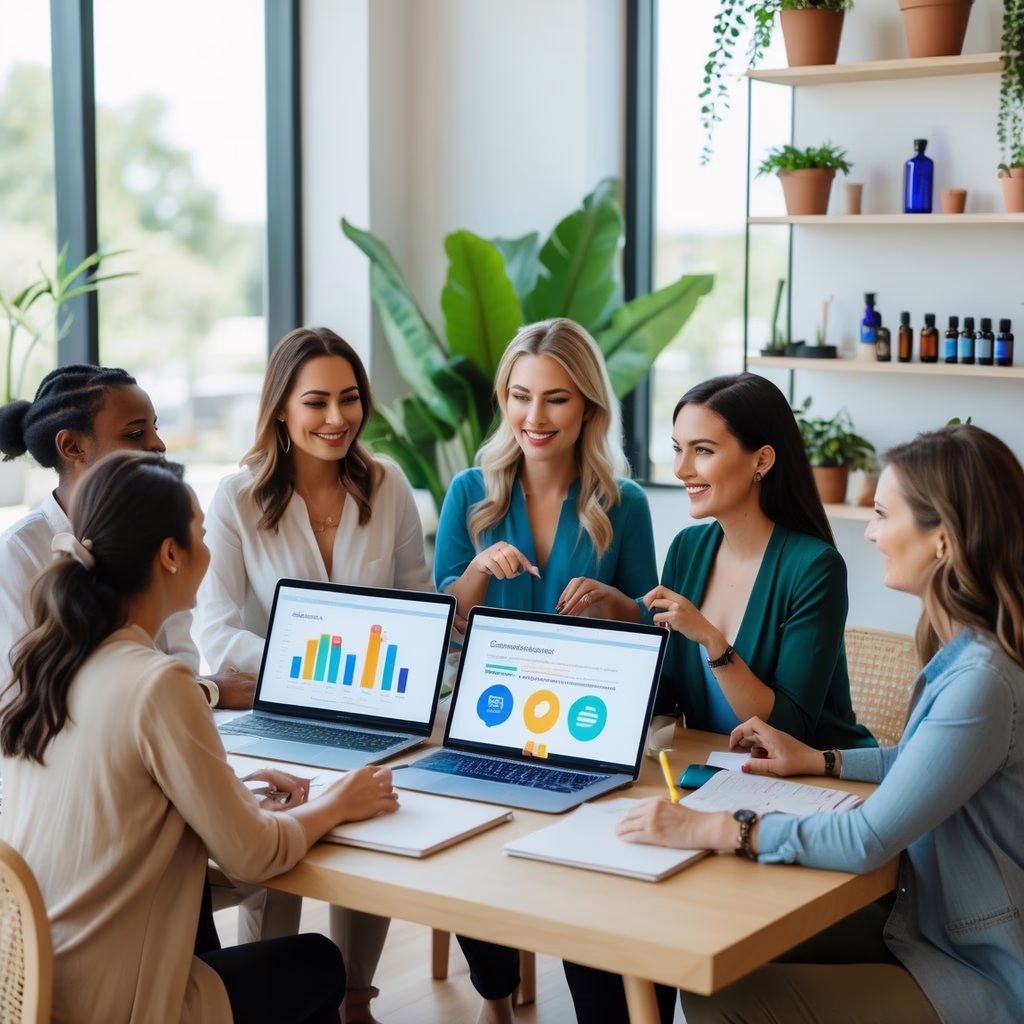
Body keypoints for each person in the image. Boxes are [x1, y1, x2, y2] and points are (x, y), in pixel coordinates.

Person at [616, 423, 1024, 1024]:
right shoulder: (963, 647)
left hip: (975, 963)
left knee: (726, 997)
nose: (874, 532)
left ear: (943, 540)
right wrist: (821, 761)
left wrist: (714, 828)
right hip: (922, 920)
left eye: (884, 515)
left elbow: (865, 840)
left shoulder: (981, 680)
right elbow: (924, 758)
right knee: (717, 958)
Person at [0, 451, 401, 1024]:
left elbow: (120, 808)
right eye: (201, 535)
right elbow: (253, 855)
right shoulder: (158, 681)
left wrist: (236, 801)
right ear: (169, 555)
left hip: (35, 990)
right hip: (122, 1004)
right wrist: (339, 802)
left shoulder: (47, 663)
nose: (208, 552)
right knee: (318, 960)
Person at [563, 372, 874, 1024]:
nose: (681, 469)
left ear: (761, 460)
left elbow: (781, 725)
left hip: (806, 787)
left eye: (701, 450)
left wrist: (711, 638)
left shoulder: (814, 566)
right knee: (591, 911)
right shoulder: (689, 547)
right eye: (677, 449)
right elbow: (674, 696)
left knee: (681, 921)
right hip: (710, 778)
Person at [196, 325, 432, 1024]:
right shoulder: (236, 498)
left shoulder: (387, 486)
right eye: (317, 402)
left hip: (376, 711)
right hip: (280, 712)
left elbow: (417, 601)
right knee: (281, 844)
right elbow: (215, 631)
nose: (338, 419)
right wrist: (318, 668)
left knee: (377, 829)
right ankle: (281, 1007)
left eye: (350, 399)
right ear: (281, 410)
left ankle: (357, 998)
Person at [434, 317, 659, 1024]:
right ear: (504, 398)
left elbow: (650, 626)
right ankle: (495, 1000)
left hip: (587, 719)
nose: (536, 417)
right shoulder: (469, 492)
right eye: (521, 396)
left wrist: (614, 602)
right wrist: (474, 571)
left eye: (557, 399)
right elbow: (443, 616)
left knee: (588, 863)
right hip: (489, 712)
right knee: (464, 835)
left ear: (588, 405)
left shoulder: (625, 505)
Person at [0, 364, 255, 710]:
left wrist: (194, 690)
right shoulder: (20, 553)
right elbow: (23, 702)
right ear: (72, 446)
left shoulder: (154, 530)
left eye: (155, 429)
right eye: (136, 434)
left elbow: (180, 661)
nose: (159, 444)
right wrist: (210, 691)